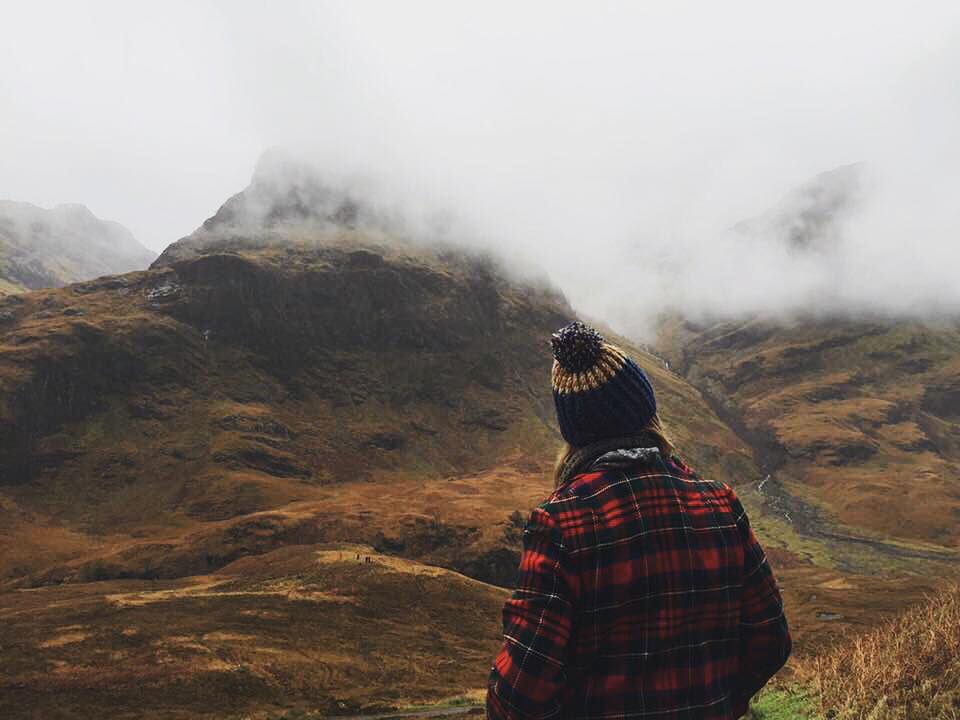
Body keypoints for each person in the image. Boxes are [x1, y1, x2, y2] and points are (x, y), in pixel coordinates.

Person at [486, 322, 791, 720]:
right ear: (646, 410)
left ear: (574, 431)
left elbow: (520, 694)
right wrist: (719, 702)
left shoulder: (562, 523)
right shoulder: (720, 504)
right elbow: (771, 640)